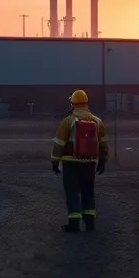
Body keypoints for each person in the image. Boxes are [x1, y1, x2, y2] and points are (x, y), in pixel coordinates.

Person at [50, 89, 109, 233]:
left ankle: (74, 224)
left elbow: (59, 143)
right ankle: (90, 224)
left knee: (72, 192)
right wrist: (102, 160)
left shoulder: (68, 121)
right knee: (88, 192)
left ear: (72, 104)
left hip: (71, 163)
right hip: (89, 162)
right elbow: (104, 143)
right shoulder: (97, 121)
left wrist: (55, 161)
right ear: (86, 103)